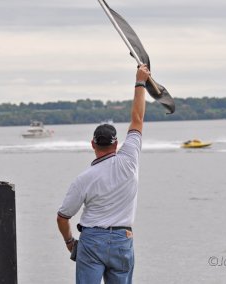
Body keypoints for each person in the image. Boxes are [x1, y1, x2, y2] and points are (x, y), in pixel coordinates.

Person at [57, 64, 150, 284]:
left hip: (92, 241)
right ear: (117, 143)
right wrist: (140, 81)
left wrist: (70, 242)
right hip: (122, 239)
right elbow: (137, 118)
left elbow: (62, 217)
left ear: (92, 144)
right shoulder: (129, 160)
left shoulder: (83, 179)